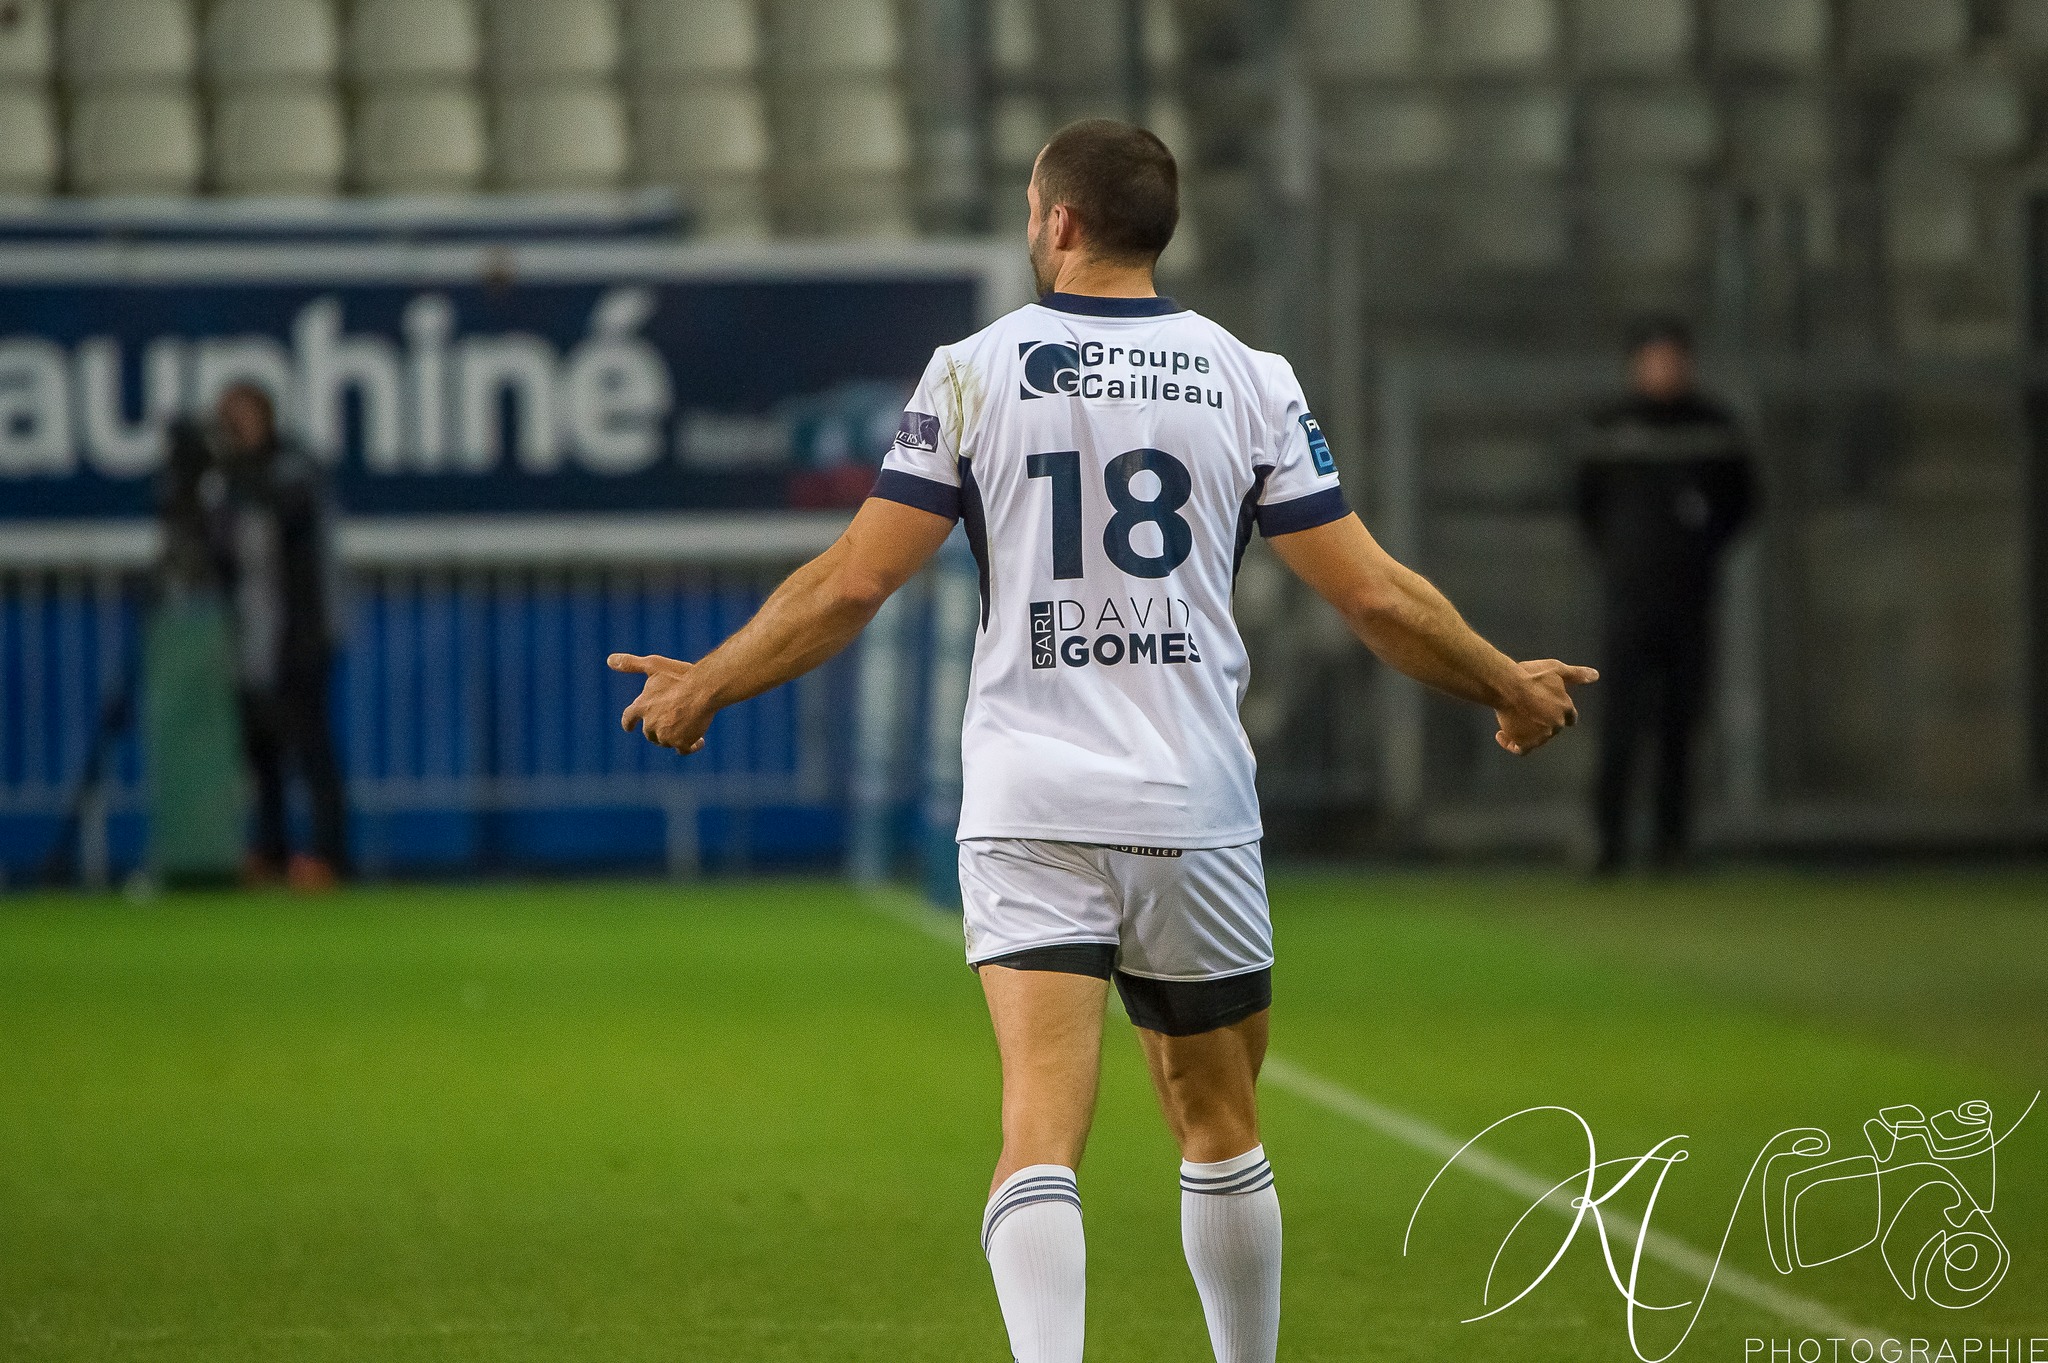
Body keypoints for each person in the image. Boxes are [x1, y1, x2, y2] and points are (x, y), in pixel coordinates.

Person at [610, 119, 1595, 1363]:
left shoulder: (970, 371)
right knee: (1217, 1120)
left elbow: (856, 579)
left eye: (1034, 206)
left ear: (1061, 221)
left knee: (1038, 1130)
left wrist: (710, 682)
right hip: (1191, 803)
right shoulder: (1250, 377)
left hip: (1029, 801)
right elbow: (1373, 596)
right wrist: (1505, 684)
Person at [1574, 319, 1756, 874]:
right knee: (1620, 721)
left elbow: (1743, 502)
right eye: (1654, 359)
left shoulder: (1714, 426)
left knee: (1680, 721)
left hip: (1690, 599)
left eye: (1672, 358)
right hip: (1629, 600)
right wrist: (1622, 555)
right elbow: (1585, 504)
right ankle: (1608, 842)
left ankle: (1671, 844)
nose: (1663, 370)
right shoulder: (1611, 425)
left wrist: (1700, 549)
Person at [213, 383, 349, 891]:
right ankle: (270, 848)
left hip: (304, 631)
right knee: (260, 748)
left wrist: (230, 472)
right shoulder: (229, 482)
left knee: (311, 746)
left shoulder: (293, 467)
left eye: (243, 417)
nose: (235, 429)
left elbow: (286, 508)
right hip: (253, 636)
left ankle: (328, 853)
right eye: (229, 420)